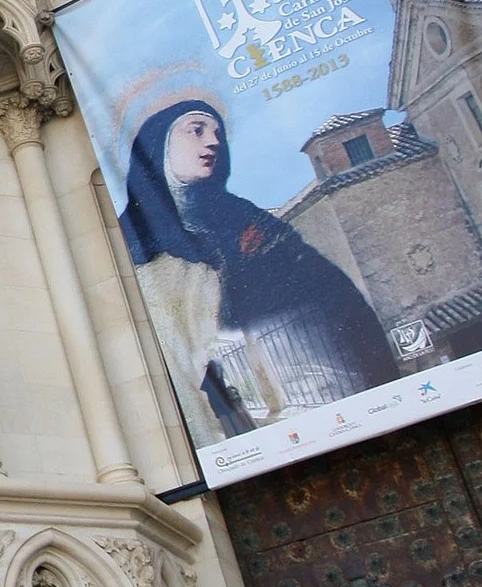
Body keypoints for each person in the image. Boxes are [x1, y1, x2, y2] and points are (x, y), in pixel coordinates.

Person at [119, 93, 400, 434]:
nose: (213, 141)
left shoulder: (243, 216)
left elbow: (324, 286)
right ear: (159, 145)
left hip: (311, 385)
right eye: (197, 130)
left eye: (218, 133)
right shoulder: (132, 243)